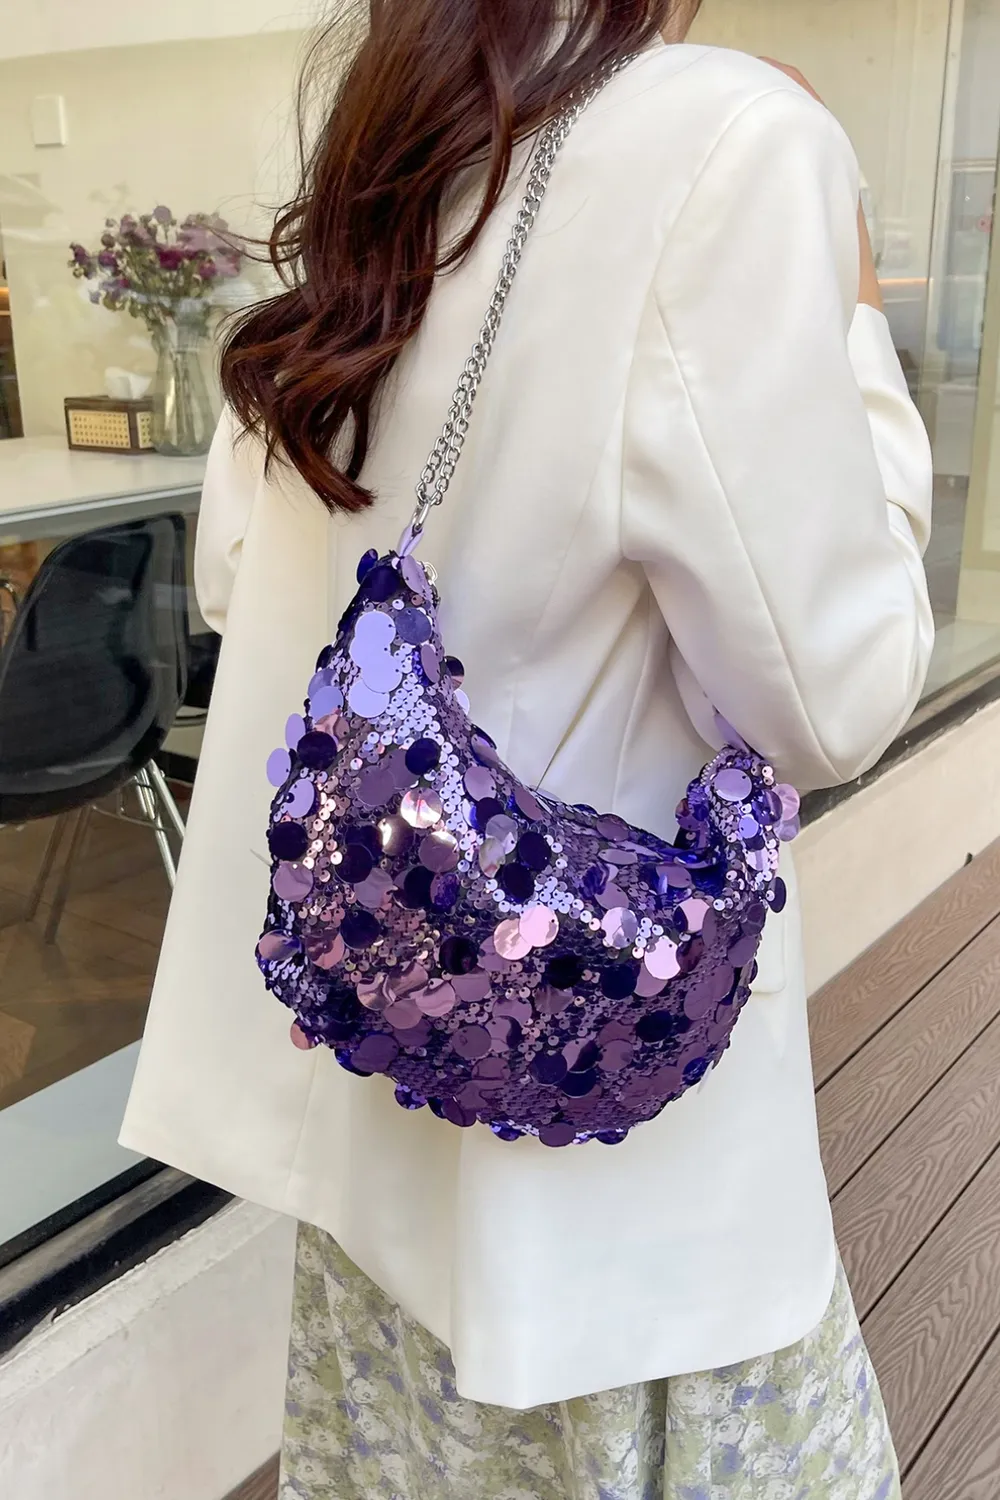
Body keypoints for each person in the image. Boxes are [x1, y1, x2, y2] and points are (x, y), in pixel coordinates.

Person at [121, 2, 933, 1496]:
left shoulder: (397, 130)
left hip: (381, 1096)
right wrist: (859, 327)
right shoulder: (726, 134)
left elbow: (242, 578)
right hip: (604, 1164)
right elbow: (837, 700)